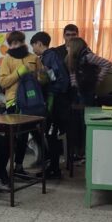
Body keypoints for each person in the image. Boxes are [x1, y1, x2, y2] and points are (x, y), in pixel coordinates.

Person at [0, 31, 45, 175]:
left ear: (23, 42)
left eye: (18, 42)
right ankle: (11, 168)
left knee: (29, 134)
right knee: (16, 136)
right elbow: (3, 82)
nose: (15, 46)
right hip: (14, 102)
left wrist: (41, 77)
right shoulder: (7, 59)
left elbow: (43, 79)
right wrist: (19, 73)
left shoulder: (33, 58)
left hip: (33, 102)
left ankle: (20, 166)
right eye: (12, 44)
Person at [30, 31, 70, 179]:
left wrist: (42, 74)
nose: (33, 49)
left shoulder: (50, 56)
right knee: (48, 134)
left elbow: (55, 77)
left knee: (51, 135)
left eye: (33, 45)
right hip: (54, 99)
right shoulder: (47, 56)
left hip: (56, 101)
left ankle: (54, 169)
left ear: (39, 43)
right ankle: (52, 167)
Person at [65, 37, 112, 107]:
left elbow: (107, 64)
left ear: (74, 48)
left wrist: (98, 79)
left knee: (86, 110)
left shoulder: (88, 56)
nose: (66, 49)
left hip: (86, 89)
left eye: (68, 47)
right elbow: (72, 73)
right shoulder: (71, 58)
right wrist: (74, 86)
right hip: (76, 90)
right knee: (77, 112)